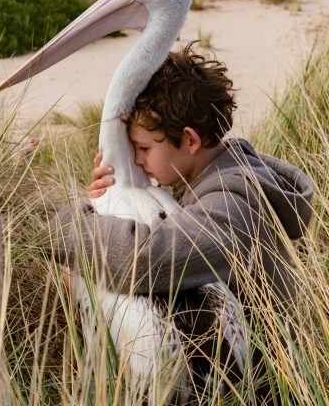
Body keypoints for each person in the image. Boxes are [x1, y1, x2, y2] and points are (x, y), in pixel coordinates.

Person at [49, 43, 313, 401]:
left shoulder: (231, 204)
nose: (138, 160)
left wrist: (70, 223)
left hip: (268, 384)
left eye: (143, 149)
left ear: (189, 139)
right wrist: (110, 199)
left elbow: (143, 259)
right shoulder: (220, 174)